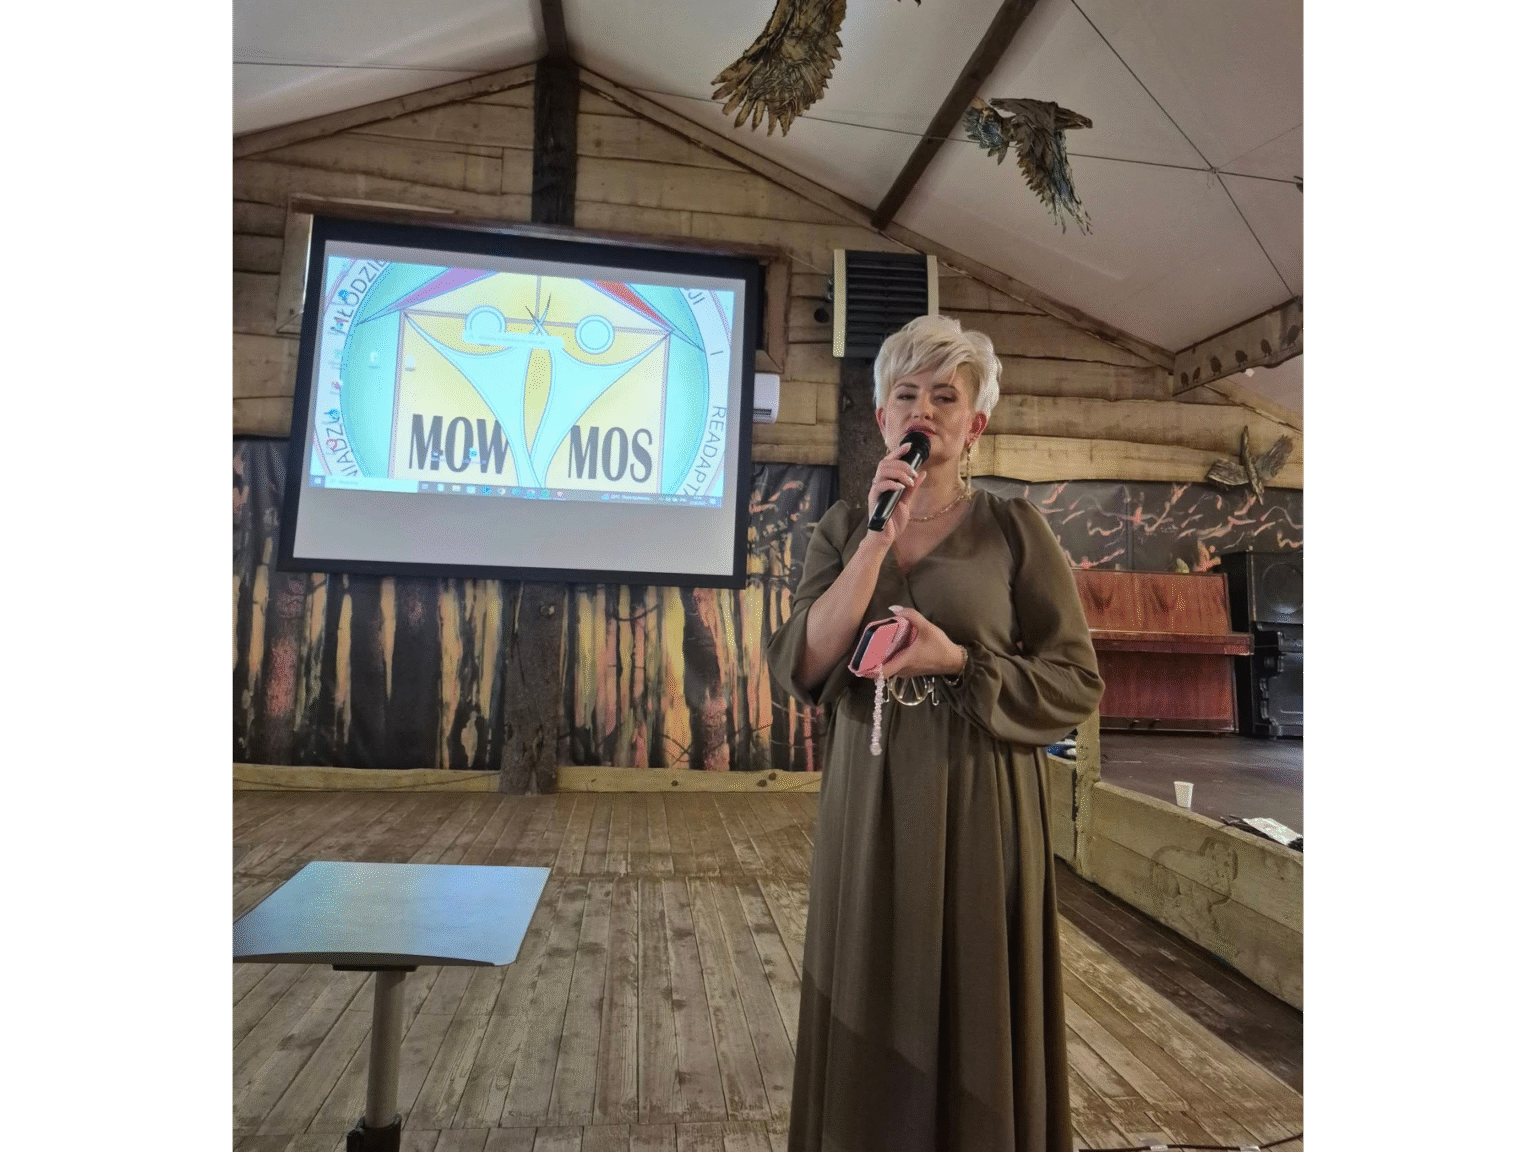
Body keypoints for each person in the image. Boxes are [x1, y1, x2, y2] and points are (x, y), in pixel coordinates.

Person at [766, 314, 1104, 1152]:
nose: (923, 408)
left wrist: (958, 660)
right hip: (870, 799)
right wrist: (877, 539)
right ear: (883, 418)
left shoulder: (1015, 529)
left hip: (981, 797)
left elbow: (1074, 681)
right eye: (907, 393)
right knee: (870, 975)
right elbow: (804, 662)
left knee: (977, 990)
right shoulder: (845, 528)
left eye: (944, 396)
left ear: (974, 423)